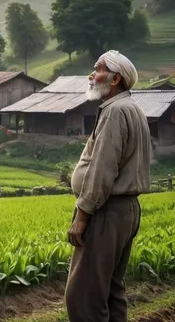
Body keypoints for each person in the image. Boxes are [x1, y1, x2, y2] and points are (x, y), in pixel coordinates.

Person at [65, 50, 151, 322]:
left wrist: (82, 215)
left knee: (84, 297)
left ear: (115, 79)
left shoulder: (114, 112)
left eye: (98, 69)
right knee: (111, 291)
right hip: (125, 211)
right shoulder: (133, 109)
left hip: (106, 211)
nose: (91, 75)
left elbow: (101, 170)